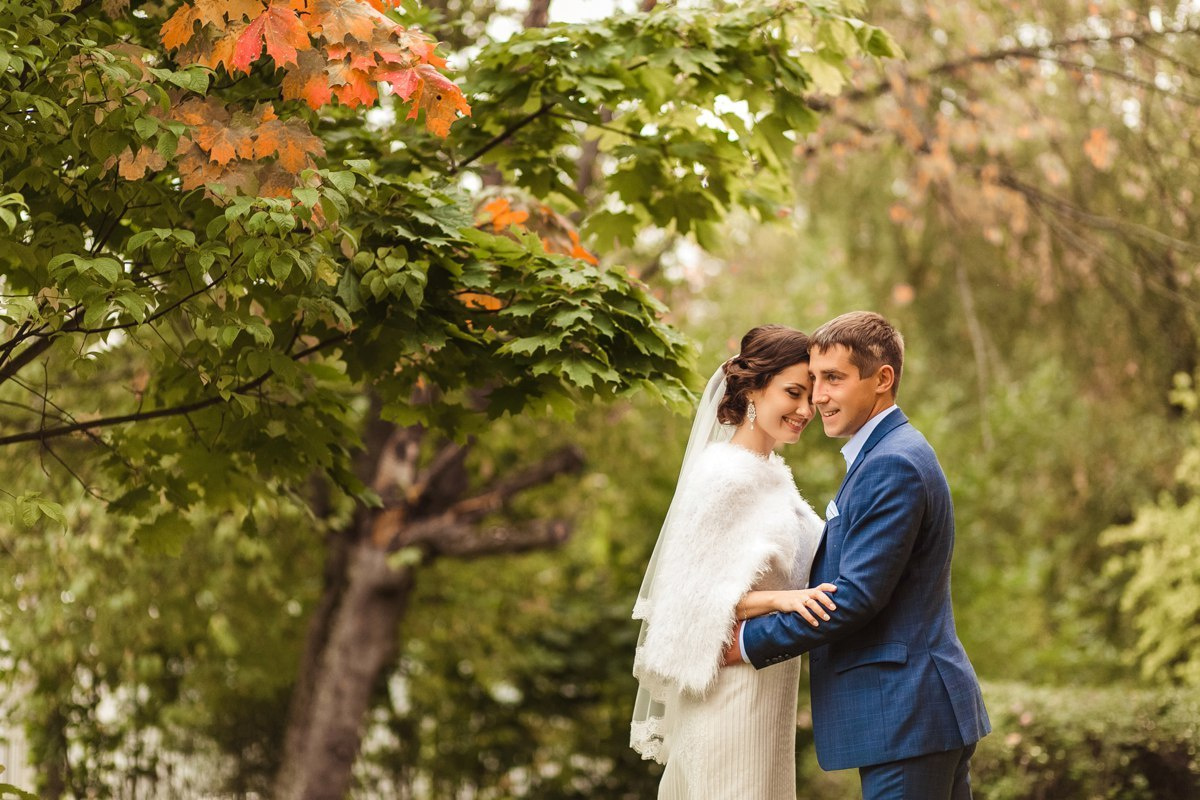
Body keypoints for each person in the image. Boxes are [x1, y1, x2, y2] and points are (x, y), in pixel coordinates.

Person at [724, 311, 991, 799]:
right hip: (916, 719)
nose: (818, 396)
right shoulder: (884, 455)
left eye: (833, 379)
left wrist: (742, 644)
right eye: (812, 381)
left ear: (882, 379)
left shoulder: (891, 464)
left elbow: (853, 598)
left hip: (907, 718)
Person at [630, 324, 838, 799]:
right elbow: (687, 604)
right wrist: (780, 599)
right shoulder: (721, 477)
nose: (807, 410)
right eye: (793, 393)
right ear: (751, 390)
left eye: (812, 395)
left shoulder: (775, 477)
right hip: (731, 700)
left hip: (769, 699)